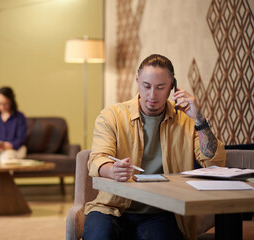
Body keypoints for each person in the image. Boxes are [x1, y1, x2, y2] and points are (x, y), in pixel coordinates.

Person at [82, 54, 226, 240]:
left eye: (160, 87)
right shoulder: (112, 115)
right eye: (146, 86)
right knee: (98, 236)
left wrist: (199, 119)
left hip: (161, 211)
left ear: (173, 86)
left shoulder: (185, 120)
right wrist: (112, 170)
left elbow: (214, 162)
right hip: (112, 207)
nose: (152, 95)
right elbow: (96, 159)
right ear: (137, 80)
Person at [0, 87, 27, 163]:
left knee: (6, 158)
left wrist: (11, 145)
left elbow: (21, 138)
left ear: (11, 102)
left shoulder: (19, 117)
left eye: (5, 103)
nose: (2, 107)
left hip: (13, 149)